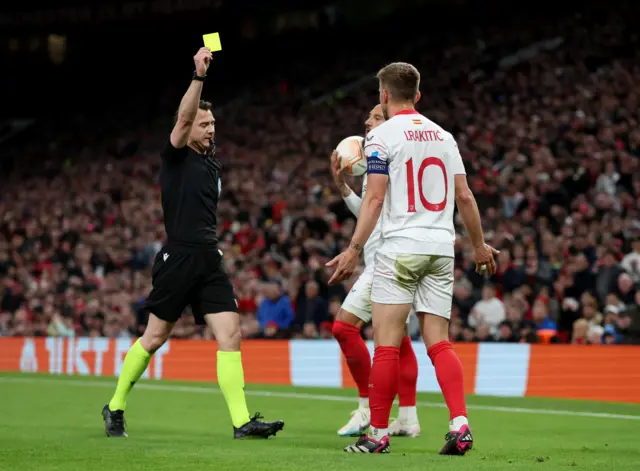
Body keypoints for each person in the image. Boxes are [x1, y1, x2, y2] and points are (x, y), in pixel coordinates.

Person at [101, 47, 284, 440]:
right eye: (205, 123)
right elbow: (184, 116)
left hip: (208, 258)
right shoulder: (177, 155)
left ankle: (241, 422)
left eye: (213, 122)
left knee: (230, 335)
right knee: (154, 337)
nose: (211, 128)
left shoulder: (210, 164)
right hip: (179, 256)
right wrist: (198, 77)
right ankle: (115, 406)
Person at [328, 62, 498, 454]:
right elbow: (466, 197)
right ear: (418, 95)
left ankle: (378, 434)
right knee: (439, 342)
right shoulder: (444, 136)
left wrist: (353, 250)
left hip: (400, 248)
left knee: (386, 344)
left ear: (384, 96)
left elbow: (373, 199)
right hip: (440, 248)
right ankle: (460, 425)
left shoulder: (381, 136)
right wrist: (479, 246)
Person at [330, 104, 420, 438]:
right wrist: (342, 188)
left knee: (343, 327)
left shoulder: (387, 159)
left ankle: (367, 408)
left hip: (386, 260)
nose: (367, 121)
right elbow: (371, 211)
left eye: (376, 117)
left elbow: (377, 208)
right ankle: (408, 418)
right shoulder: (388, 157)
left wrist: (353, 250)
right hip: (398, 259)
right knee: (400, 341)